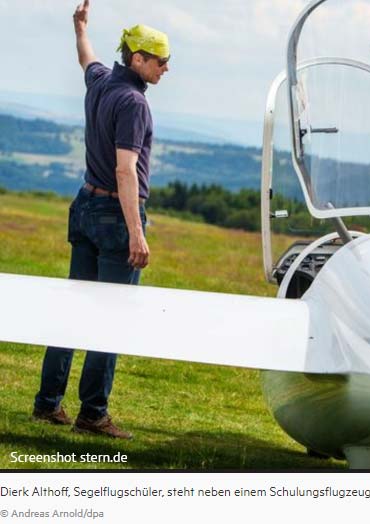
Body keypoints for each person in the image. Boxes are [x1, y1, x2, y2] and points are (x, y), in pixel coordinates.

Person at [31, 0, 170, 439]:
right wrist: (136, 233)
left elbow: (86, 57)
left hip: (85, 206)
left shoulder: (101, 82)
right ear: (138, 58)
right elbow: (125, 170)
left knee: (75, 308)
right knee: (111, 317)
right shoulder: (133, 103)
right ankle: (92, 413)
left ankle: (48, 403)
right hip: (114, 212)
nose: (166, 69)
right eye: (161, 61)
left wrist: (80, 28)